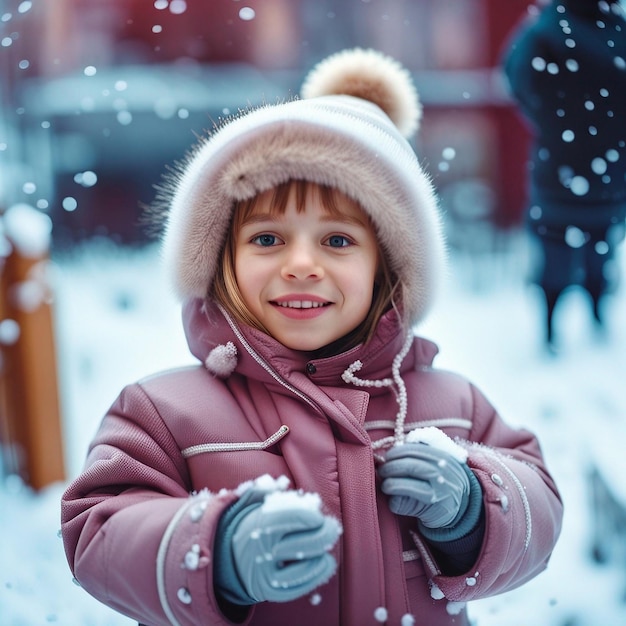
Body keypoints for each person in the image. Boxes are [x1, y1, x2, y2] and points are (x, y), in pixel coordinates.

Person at [61, 48, 563, 626]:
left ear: (388, 266)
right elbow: (97, 531)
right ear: (222, 258)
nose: (301, 265)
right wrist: (215, 549)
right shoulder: (165, 413)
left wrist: (472, 510)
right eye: (268, 239)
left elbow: (540, 509)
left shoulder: (453, 407)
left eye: (338, 241)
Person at [503, 0, 626, 349]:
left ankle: (550, 327)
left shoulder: (547, 27)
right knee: (601, 242)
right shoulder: (618, 29)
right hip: (611, 166)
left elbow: (515, 74)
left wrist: (553, 123)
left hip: (560, 164)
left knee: (555, 243)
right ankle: (598, 314)